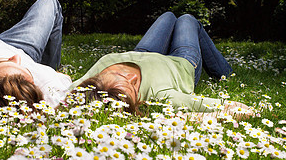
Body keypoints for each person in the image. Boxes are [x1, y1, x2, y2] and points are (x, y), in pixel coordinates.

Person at [70, 12, 252, 117]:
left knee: (168, 16)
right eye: (135, 86)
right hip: (182, 61)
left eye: (121, 75)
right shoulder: (161, 96)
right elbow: (234, 109)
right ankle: (226, 74)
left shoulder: (90, 82)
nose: (133, 76)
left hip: (142, 53)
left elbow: (58, 94)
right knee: (187, 19)